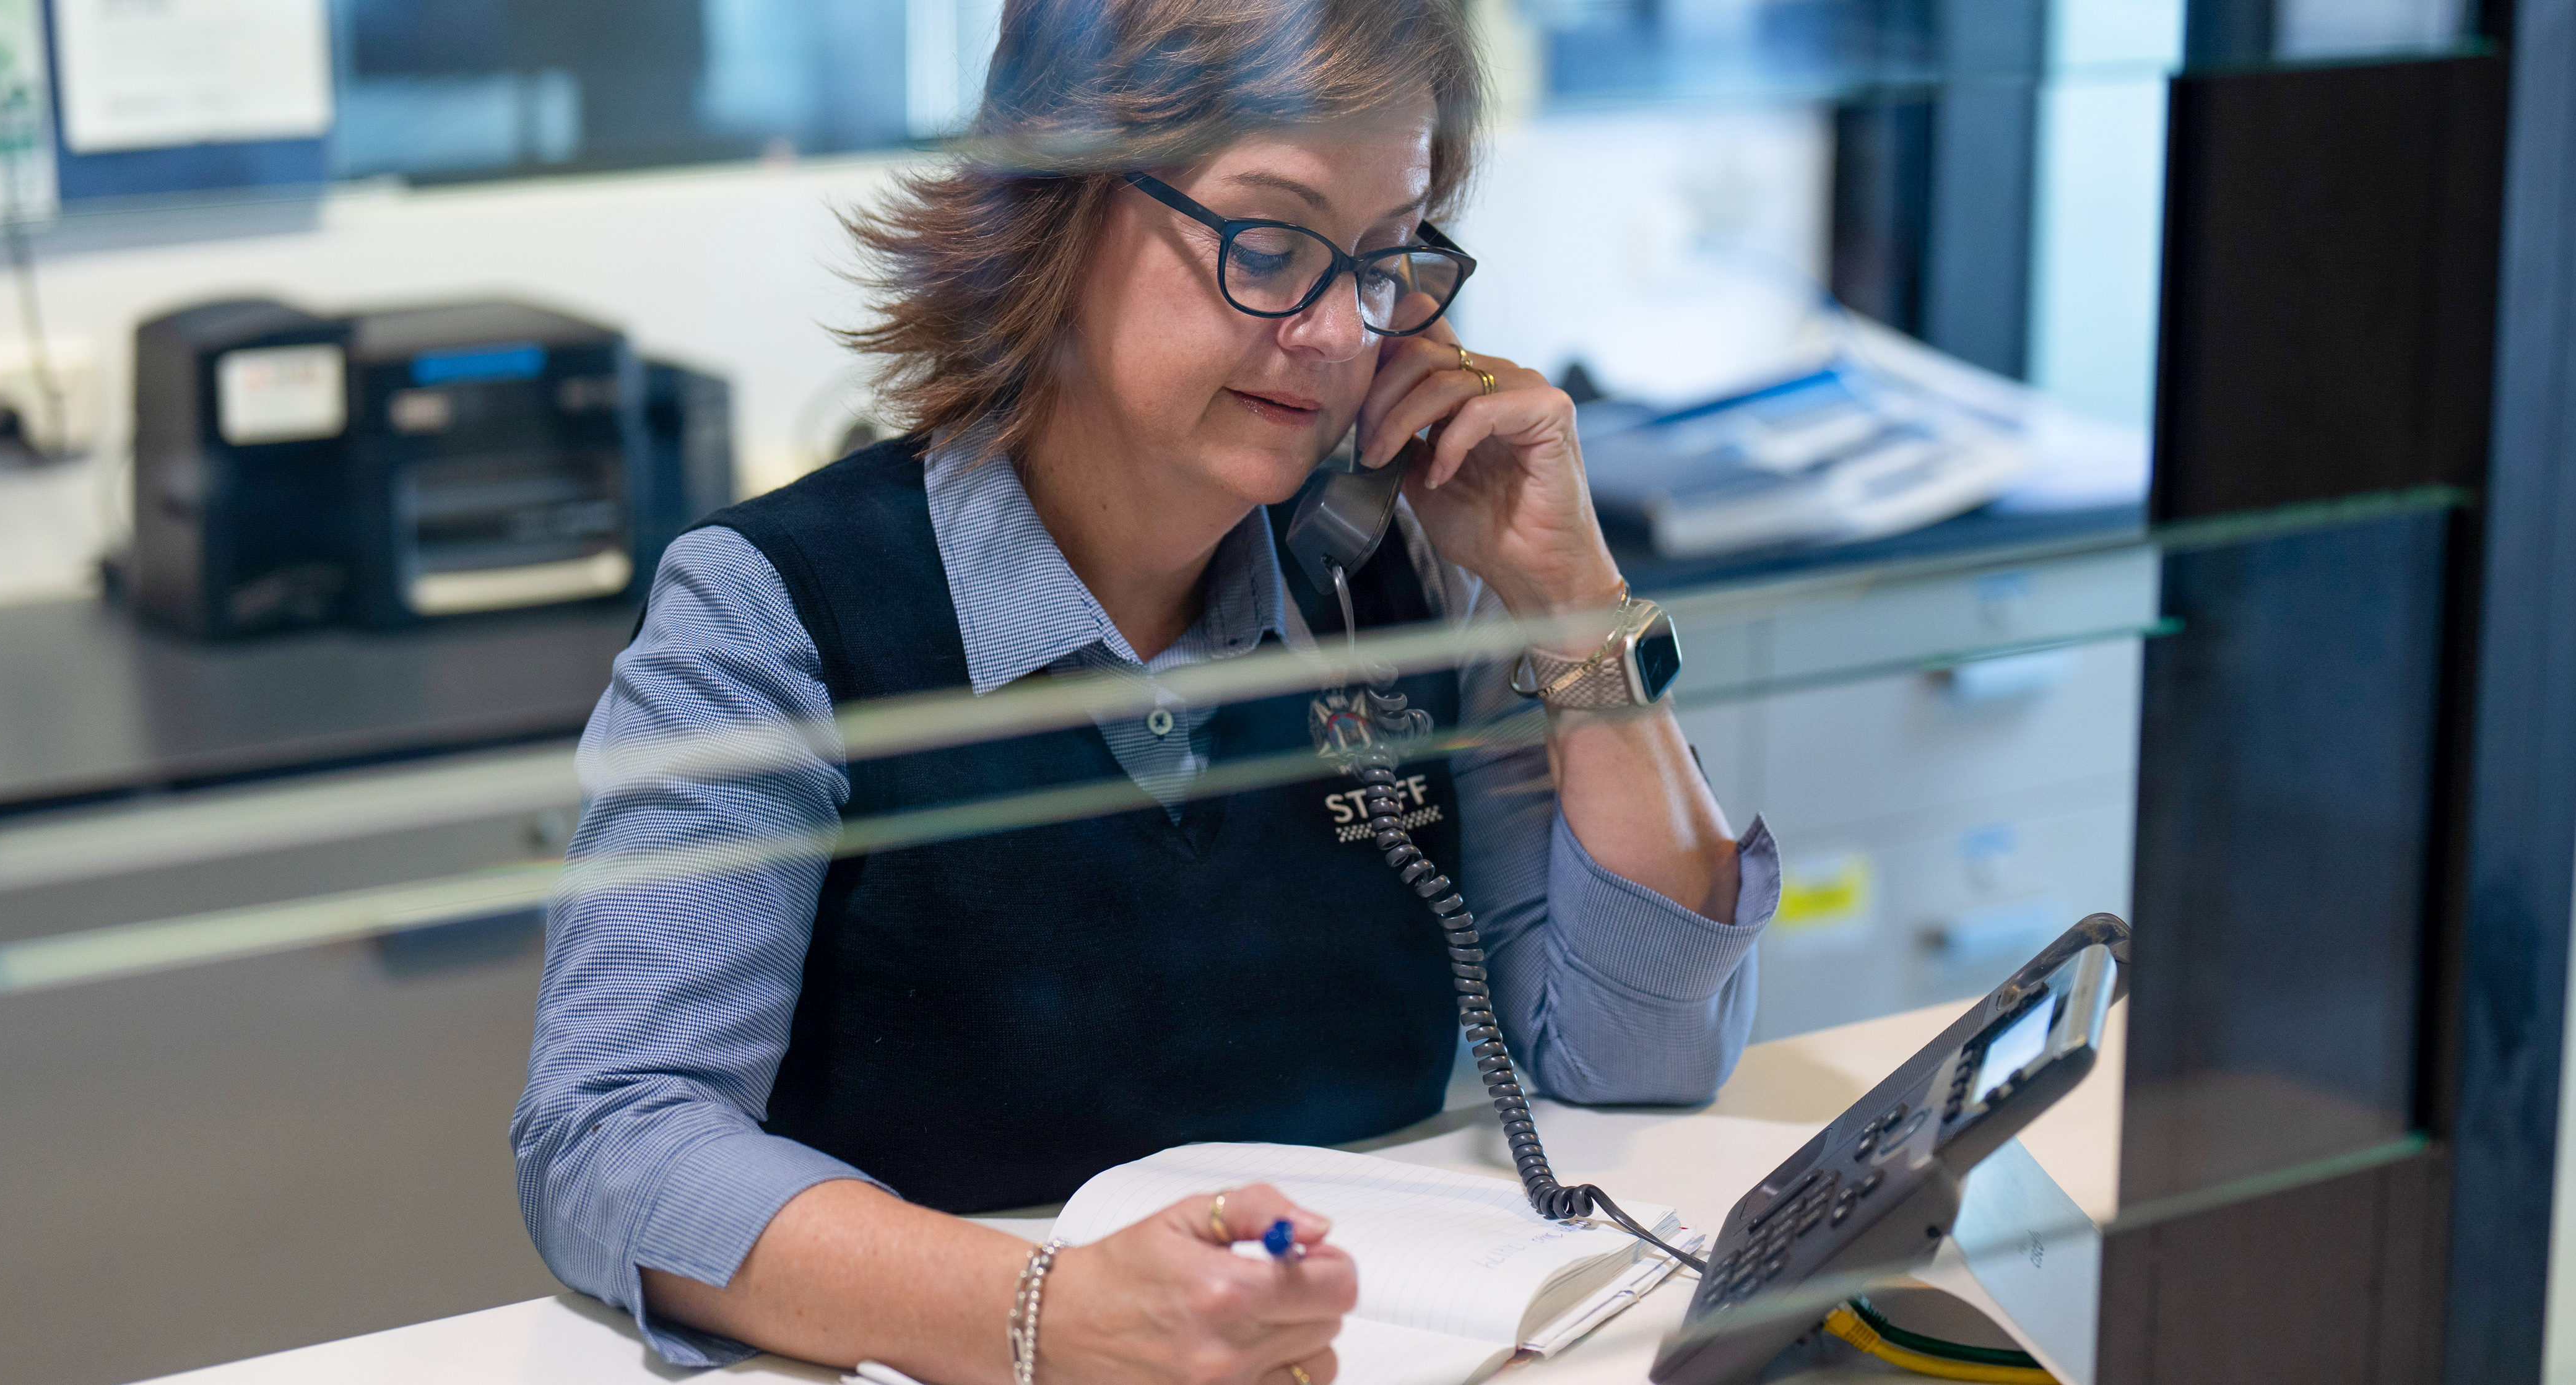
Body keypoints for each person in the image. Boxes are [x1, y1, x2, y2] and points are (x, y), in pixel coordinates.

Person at [512, 3, 1780, 1383]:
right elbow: (611, 1139)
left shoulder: (1392, 585)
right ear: (1048, 208)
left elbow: (1637, 1057)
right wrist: (1055, 1317)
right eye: (1271, 242)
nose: (1332, 332)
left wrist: (1570, 596)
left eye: (1379, 259)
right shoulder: (779, 605)